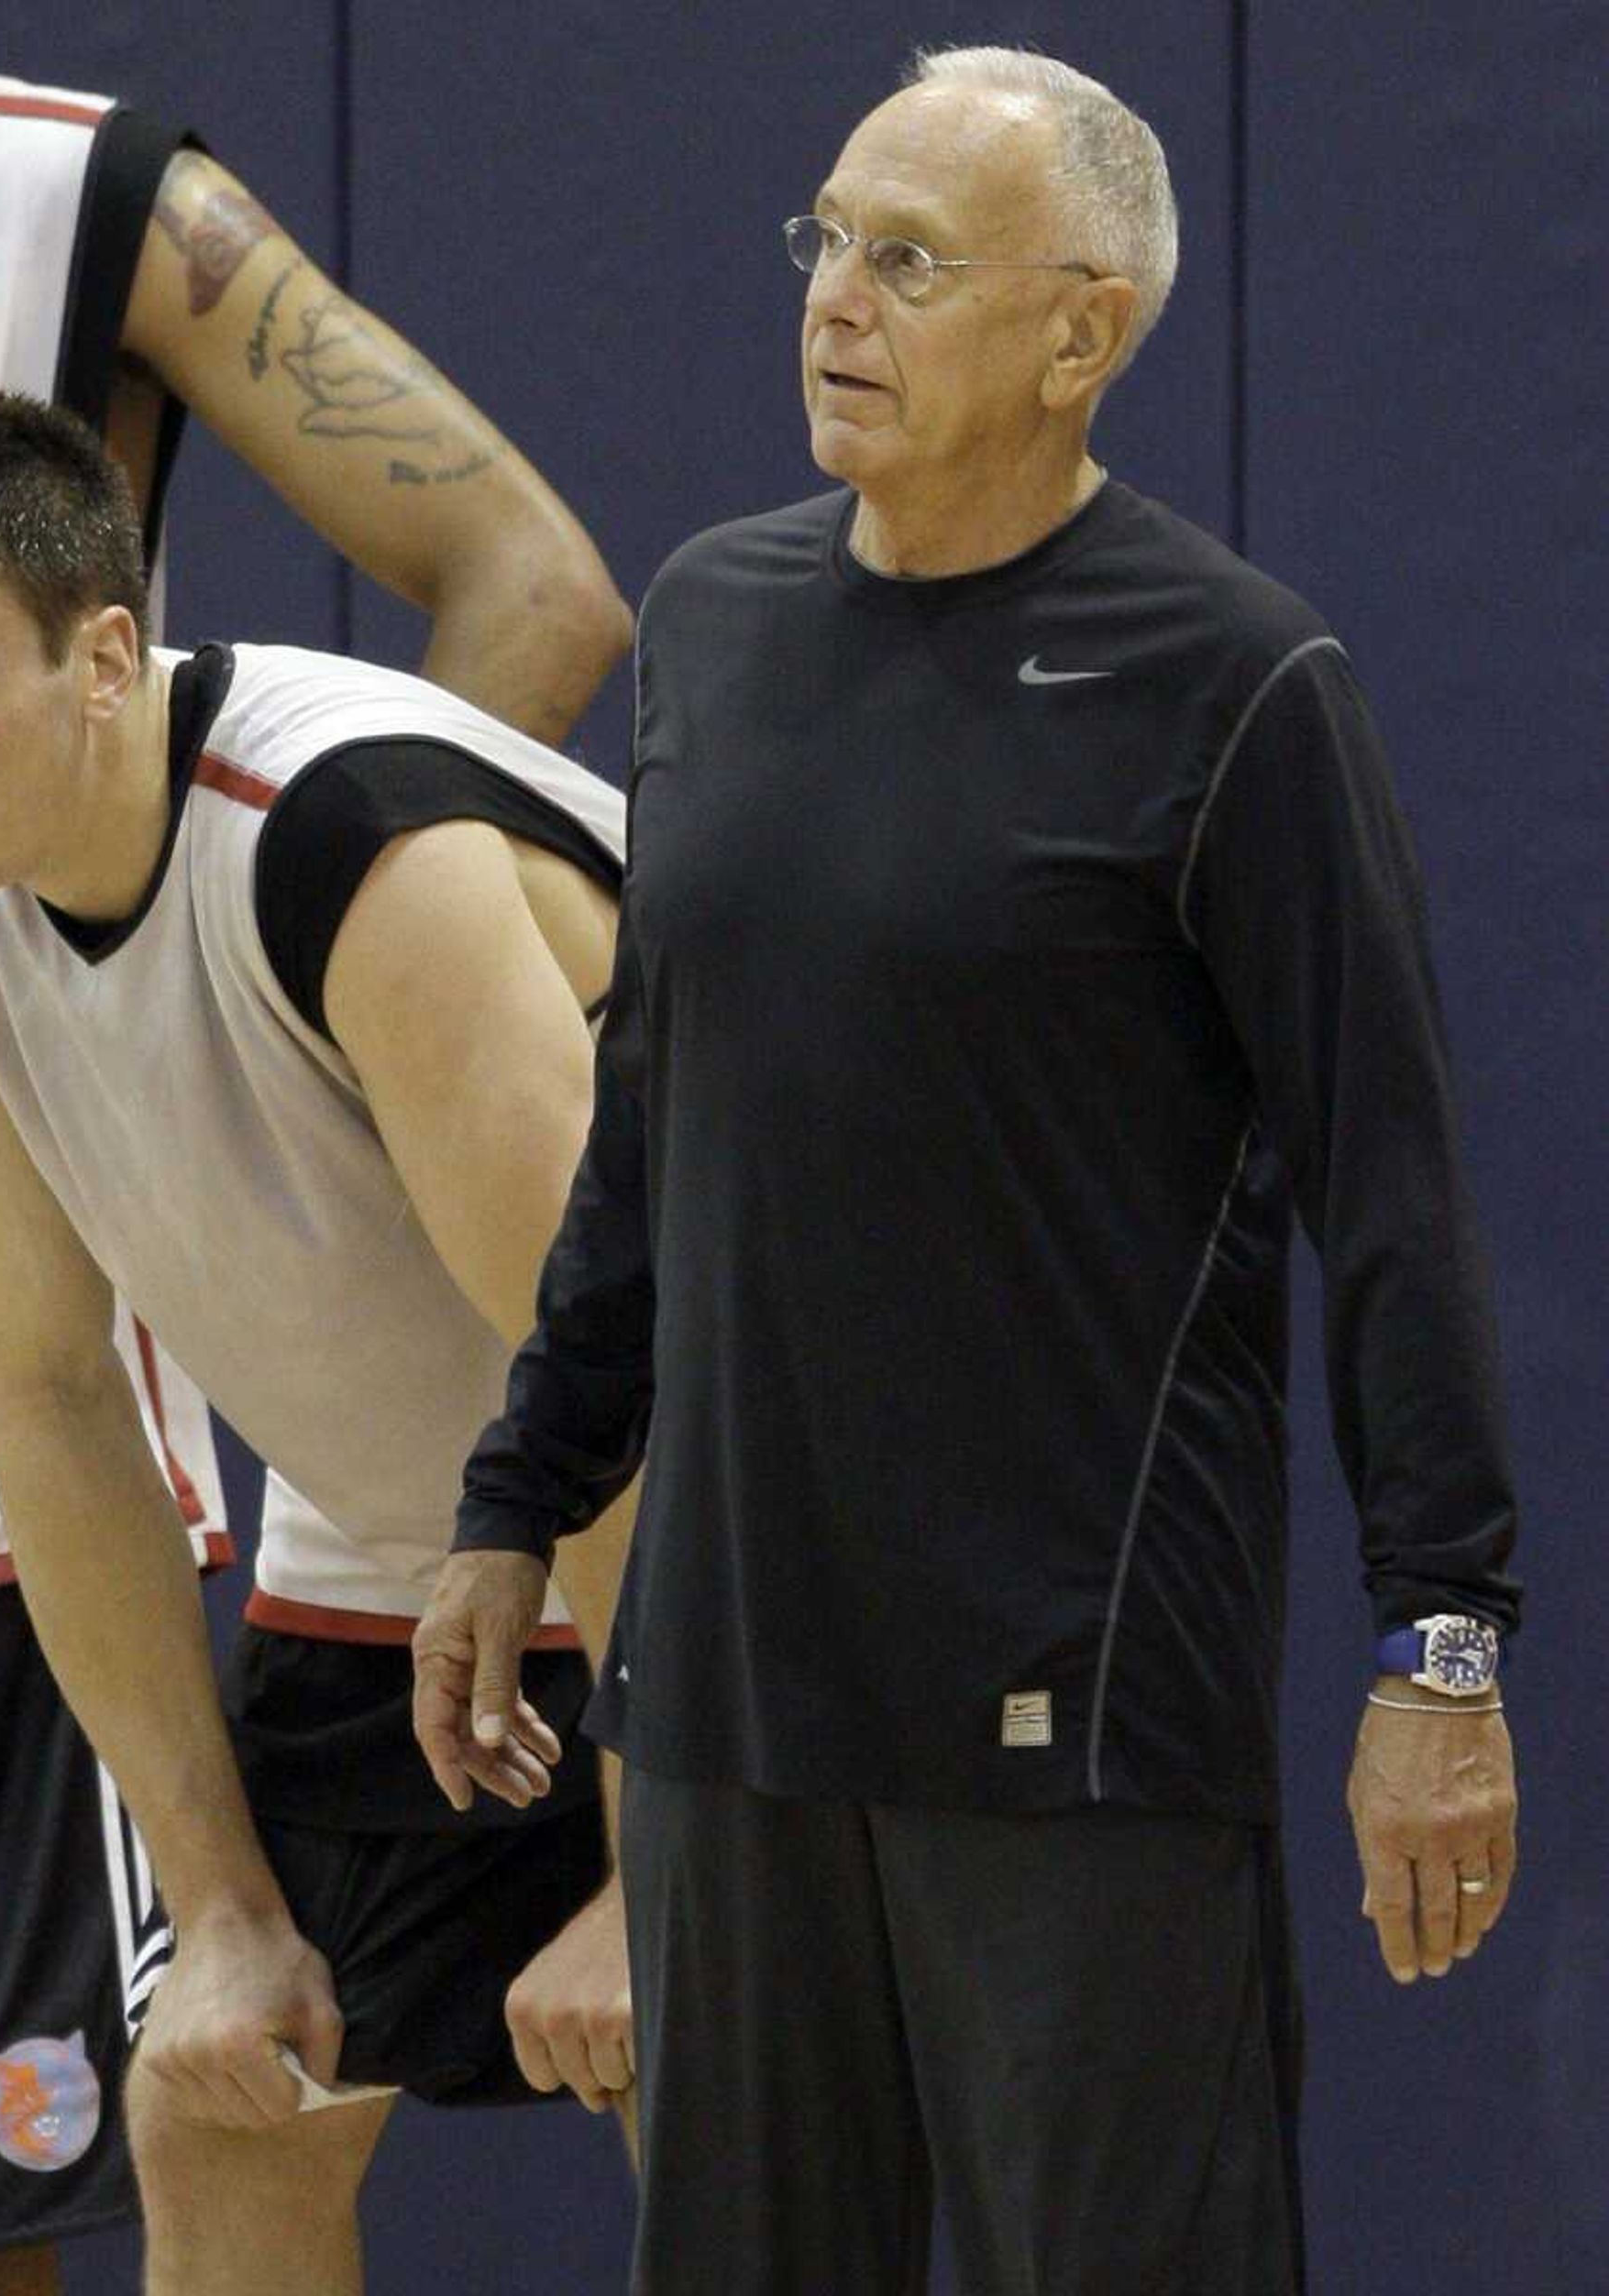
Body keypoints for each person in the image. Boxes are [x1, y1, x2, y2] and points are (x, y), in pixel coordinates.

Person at [411, 43, 1523, 2296]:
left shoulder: (1236, 682)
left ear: (1079, 330)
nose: (835, 297)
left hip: (1071, 1719)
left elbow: (1390, 1193)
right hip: (725, 1700)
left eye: (909, 259)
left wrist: (1442, 1648)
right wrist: (517, 1496)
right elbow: (648, 1124)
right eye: (823, 239)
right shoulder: (712, 618)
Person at [0, 5, 629, 2288]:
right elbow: (43, 1389)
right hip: (408, 1492)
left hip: (772, 1463)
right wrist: (220, 1903)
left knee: (710, 2057)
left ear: (111, 653)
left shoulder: (357, 855)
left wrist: (655, 1861)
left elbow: (630, 1367)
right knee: (217, 2091)